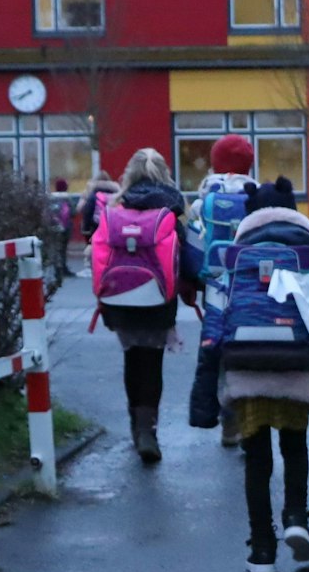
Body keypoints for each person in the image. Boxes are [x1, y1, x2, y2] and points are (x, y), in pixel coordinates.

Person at [190, 178, 309, 572]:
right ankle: (297, 519)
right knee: (294, 448)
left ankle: (262, 549)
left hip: (245, 375)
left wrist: (204, 405)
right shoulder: (307, 269)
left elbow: (211, 339)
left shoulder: (229, 272)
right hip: (293, 373)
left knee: (257, 459)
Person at [94, 149, 204, 465]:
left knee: (133, 358)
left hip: (118, 297)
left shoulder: (117, 205)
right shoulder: (173, 205)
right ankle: (149, 430)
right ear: (164, 173)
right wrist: (192, 288)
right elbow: (187, 255)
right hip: (158, 298)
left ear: (130, 173)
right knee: (152, 362)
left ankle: (136, 427)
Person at [194, 134, 261, 449]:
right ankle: (250, 421)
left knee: (219, 349)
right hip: (251, 283)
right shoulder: (258, 194)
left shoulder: (205, 196)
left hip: (216, 286)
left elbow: (195, 244)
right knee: (250, 348)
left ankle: (228, 421)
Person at [75, 169, 122, 242]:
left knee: (95, 249)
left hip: (95, 227)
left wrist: (85, 229)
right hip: (112, 226)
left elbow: (87, 211)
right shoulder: (116, 196)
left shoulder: (93, 195)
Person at [49, 177, 78, 277]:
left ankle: (57, 269)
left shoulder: (51, 198)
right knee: (64, 248)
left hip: (55, 226)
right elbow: (73, 212)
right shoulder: (67, 198)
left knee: (56, 247)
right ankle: (64, 268)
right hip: (66, 226)